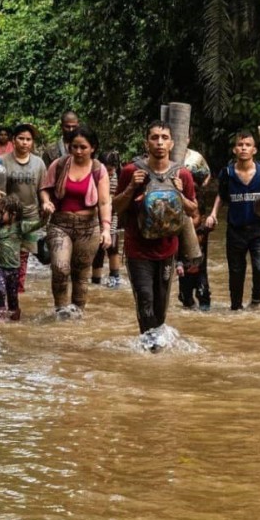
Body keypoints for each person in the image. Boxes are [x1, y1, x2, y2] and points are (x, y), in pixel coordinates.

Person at [113, 121, 196, 350]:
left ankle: (154, 348)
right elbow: (116, 207)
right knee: (145, 300)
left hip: (167, 249)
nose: (159, 142)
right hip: (137, 249)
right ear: (146, 142)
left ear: (172, 143)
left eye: (164, 138)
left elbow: (193, 210)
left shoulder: (183, 174)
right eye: (154, 137)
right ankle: (152, 350)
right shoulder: (132, 171)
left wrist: (179, 193)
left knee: (160, 307)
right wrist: (131, 187)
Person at [205, 130, 260, 311]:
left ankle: (256, 299)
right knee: (236, 272)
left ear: (254, 150)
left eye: (247, 145)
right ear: (235, 150)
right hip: (235, 230)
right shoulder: (228, 173)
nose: (244, 148)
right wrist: (213, 214)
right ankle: (236, 307)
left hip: (259, 229)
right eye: (240, 145)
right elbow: (222, 197)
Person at [40, 126, 112, 317]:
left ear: (93, 148)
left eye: (83, 147)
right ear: (69, 147)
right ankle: (61, 311)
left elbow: (104, 202)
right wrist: (46, 202)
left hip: (88, 226)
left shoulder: (99, 169)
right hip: (59, 224)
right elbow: (45, 188)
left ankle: (78, 314)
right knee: (60, 268)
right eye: (74, 147)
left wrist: (106, 229)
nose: (79, 151)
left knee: (81, 275)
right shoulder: (59, 164)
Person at [0, 122, 47, 292]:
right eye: (21, 138)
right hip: (7, 217)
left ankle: (18, 290)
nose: (25, 142)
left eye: (28, 139)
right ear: (14, 140)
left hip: (30, 216)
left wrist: (45, 204)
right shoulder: (1, 162)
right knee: (8, 253)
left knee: (23, 256)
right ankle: (6, 289)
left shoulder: (38, 164)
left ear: (32, 142)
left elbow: (43, 189)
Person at [0, 194, 44, 320]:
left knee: (13, 296)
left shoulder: (20, 226)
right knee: (0, 291)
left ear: (13, 214)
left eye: (1, 213)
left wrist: (46, 216)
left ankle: (14, 317)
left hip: (14, 268)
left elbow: (38, 225)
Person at [178, 137, 213, 310]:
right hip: (174, 214)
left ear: (188, 138)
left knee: (199, 259)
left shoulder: (195, 157)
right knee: (181, 260)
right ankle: (186, 298)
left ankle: (203, 297)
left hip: (195, 210)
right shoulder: (164, 157)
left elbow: (207, 179)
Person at [91, 151, 123, 288]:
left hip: (112, 214)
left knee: (112, 245)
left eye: (111, 170)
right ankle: (96, 280)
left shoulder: (116, 178)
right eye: (107, 169)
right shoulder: (94, 175)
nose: (109, 172)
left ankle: (114, 277)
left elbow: (112, 201)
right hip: (95, 215)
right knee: (98, 248)